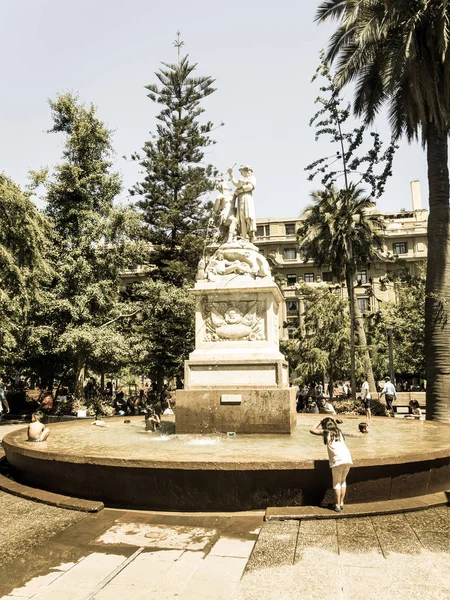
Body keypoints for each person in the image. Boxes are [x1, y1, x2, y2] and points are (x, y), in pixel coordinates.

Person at [310, 417, 353, 512]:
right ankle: (341, 503)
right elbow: (335, 426)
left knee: (336, 483)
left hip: (338, 460)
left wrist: (320, 420)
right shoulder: (339, 431)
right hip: (347, 458)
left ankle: (337, 505)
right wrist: (333, 420)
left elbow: (312, 430)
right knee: (343, 481)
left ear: (325, 425)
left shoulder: (326, 432)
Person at [227, 164, 256, 242]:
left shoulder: (251, 178)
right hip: (240, 199)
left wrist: (240, 190)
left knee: (248, 215)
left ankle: (251, 235)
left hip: (247, 198)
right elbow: (236, 183)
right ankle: (243, 235)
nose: (241, 174)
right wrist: (230, 174)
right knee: (241, 217)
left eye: (241, 172)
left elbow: (250, 186)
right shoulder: (241, 180)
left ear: (246, 171)